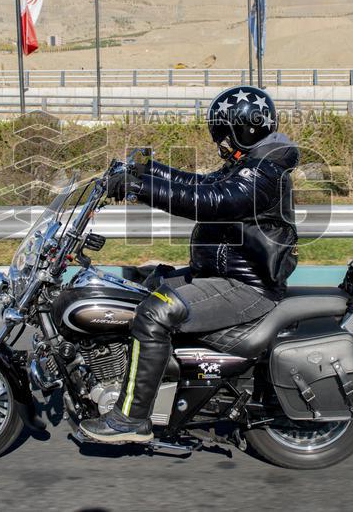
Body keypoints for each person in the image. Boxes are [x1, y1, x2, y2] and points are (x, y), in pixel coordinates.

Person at [80, 85, 299, 443]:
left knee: (154, 312)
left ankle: (131, 419)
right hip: (221, 276)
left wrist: (138, 189)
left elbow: (207, 200)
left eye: (223, 133)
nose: (220, 142)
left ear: (244, 128)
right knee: (142, 286)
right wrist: (145, 170)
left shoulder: (263, 173)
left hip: (244, 287)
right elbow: (199, 183)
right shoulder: (252, 163)